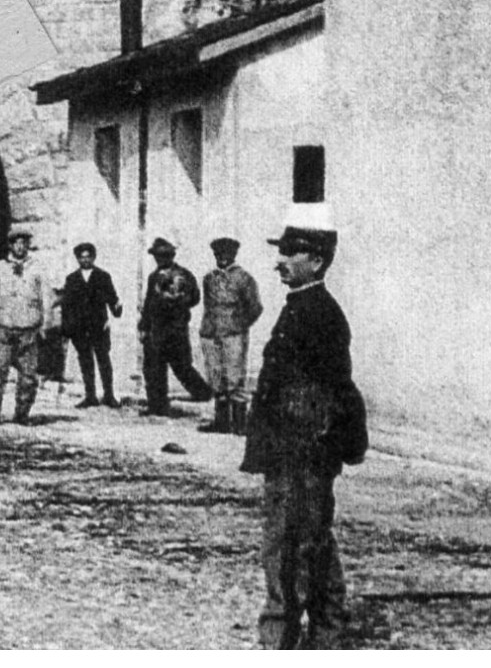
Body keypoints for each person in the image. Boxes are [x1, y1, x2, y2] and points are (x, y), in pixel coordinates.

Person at [240, 205, 367, 649]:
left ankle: (281, 642)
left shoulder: (318, 314)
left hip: (300, 452)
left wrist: (310, 450)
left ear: (315, 260)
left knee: (287, 546)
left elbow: (328, 391)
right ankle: (329, 634)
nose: (279, 261)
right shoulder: (303, 306)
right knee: (312, 541)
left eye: (290, 252)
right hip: (294, 449)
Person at [0, 229, 57, 426]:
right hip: (4, 327)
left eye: (24, 243)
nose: (20, 246)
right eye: (16, 243)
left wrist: (45, 324)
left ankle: (22, 413)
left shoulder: (37, 267)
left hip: (28, 328)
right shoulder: (0, 266)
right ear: (10, 245)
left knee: (28, 375)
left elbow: (47, 297)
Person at [138, 236, 214, 416]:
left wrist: (177, 301)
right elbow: (149, 304)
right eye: (157, 256)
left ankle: (203, 393)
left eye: (165, 255)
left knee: (182, 365)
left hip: (175, 328)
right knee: (153, 368)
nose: (161, 259)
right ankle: (157, 406)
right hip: (156, 330)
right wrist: (143, 326)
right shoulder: (153, 277)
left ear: (172, 256)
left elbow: (194, 298)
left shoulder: (184, 275)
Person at [198, 236, 264, 435]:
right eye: (218, 254)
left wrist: (239, 325)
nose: (222, 258)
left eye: (226, 254)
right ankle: (221, 422)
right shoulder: (209, 278)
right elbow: (208, 305)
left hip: (233, 334)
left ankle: (240, 423)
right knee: (216, 377)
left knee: (235, 378)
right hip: (211, 333)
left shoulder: (244, 278)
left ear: (233, 255)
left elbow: (255, 307)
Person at [60, 243, 123, 408]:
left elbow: (112, 298)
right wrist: (67, 328)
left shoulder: (103, 276)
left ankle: (109, 395)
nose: (85, 260)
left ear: (94, 257)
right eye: (82, 257)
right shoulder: (72, 279)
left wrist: (116, 309)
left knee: (104, 360)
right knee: (85, 361)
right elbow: (66, 305)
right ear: (78, 259)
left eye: (88, 257)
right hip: (80, 328)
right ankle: (90, 396)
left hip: (99, 326)